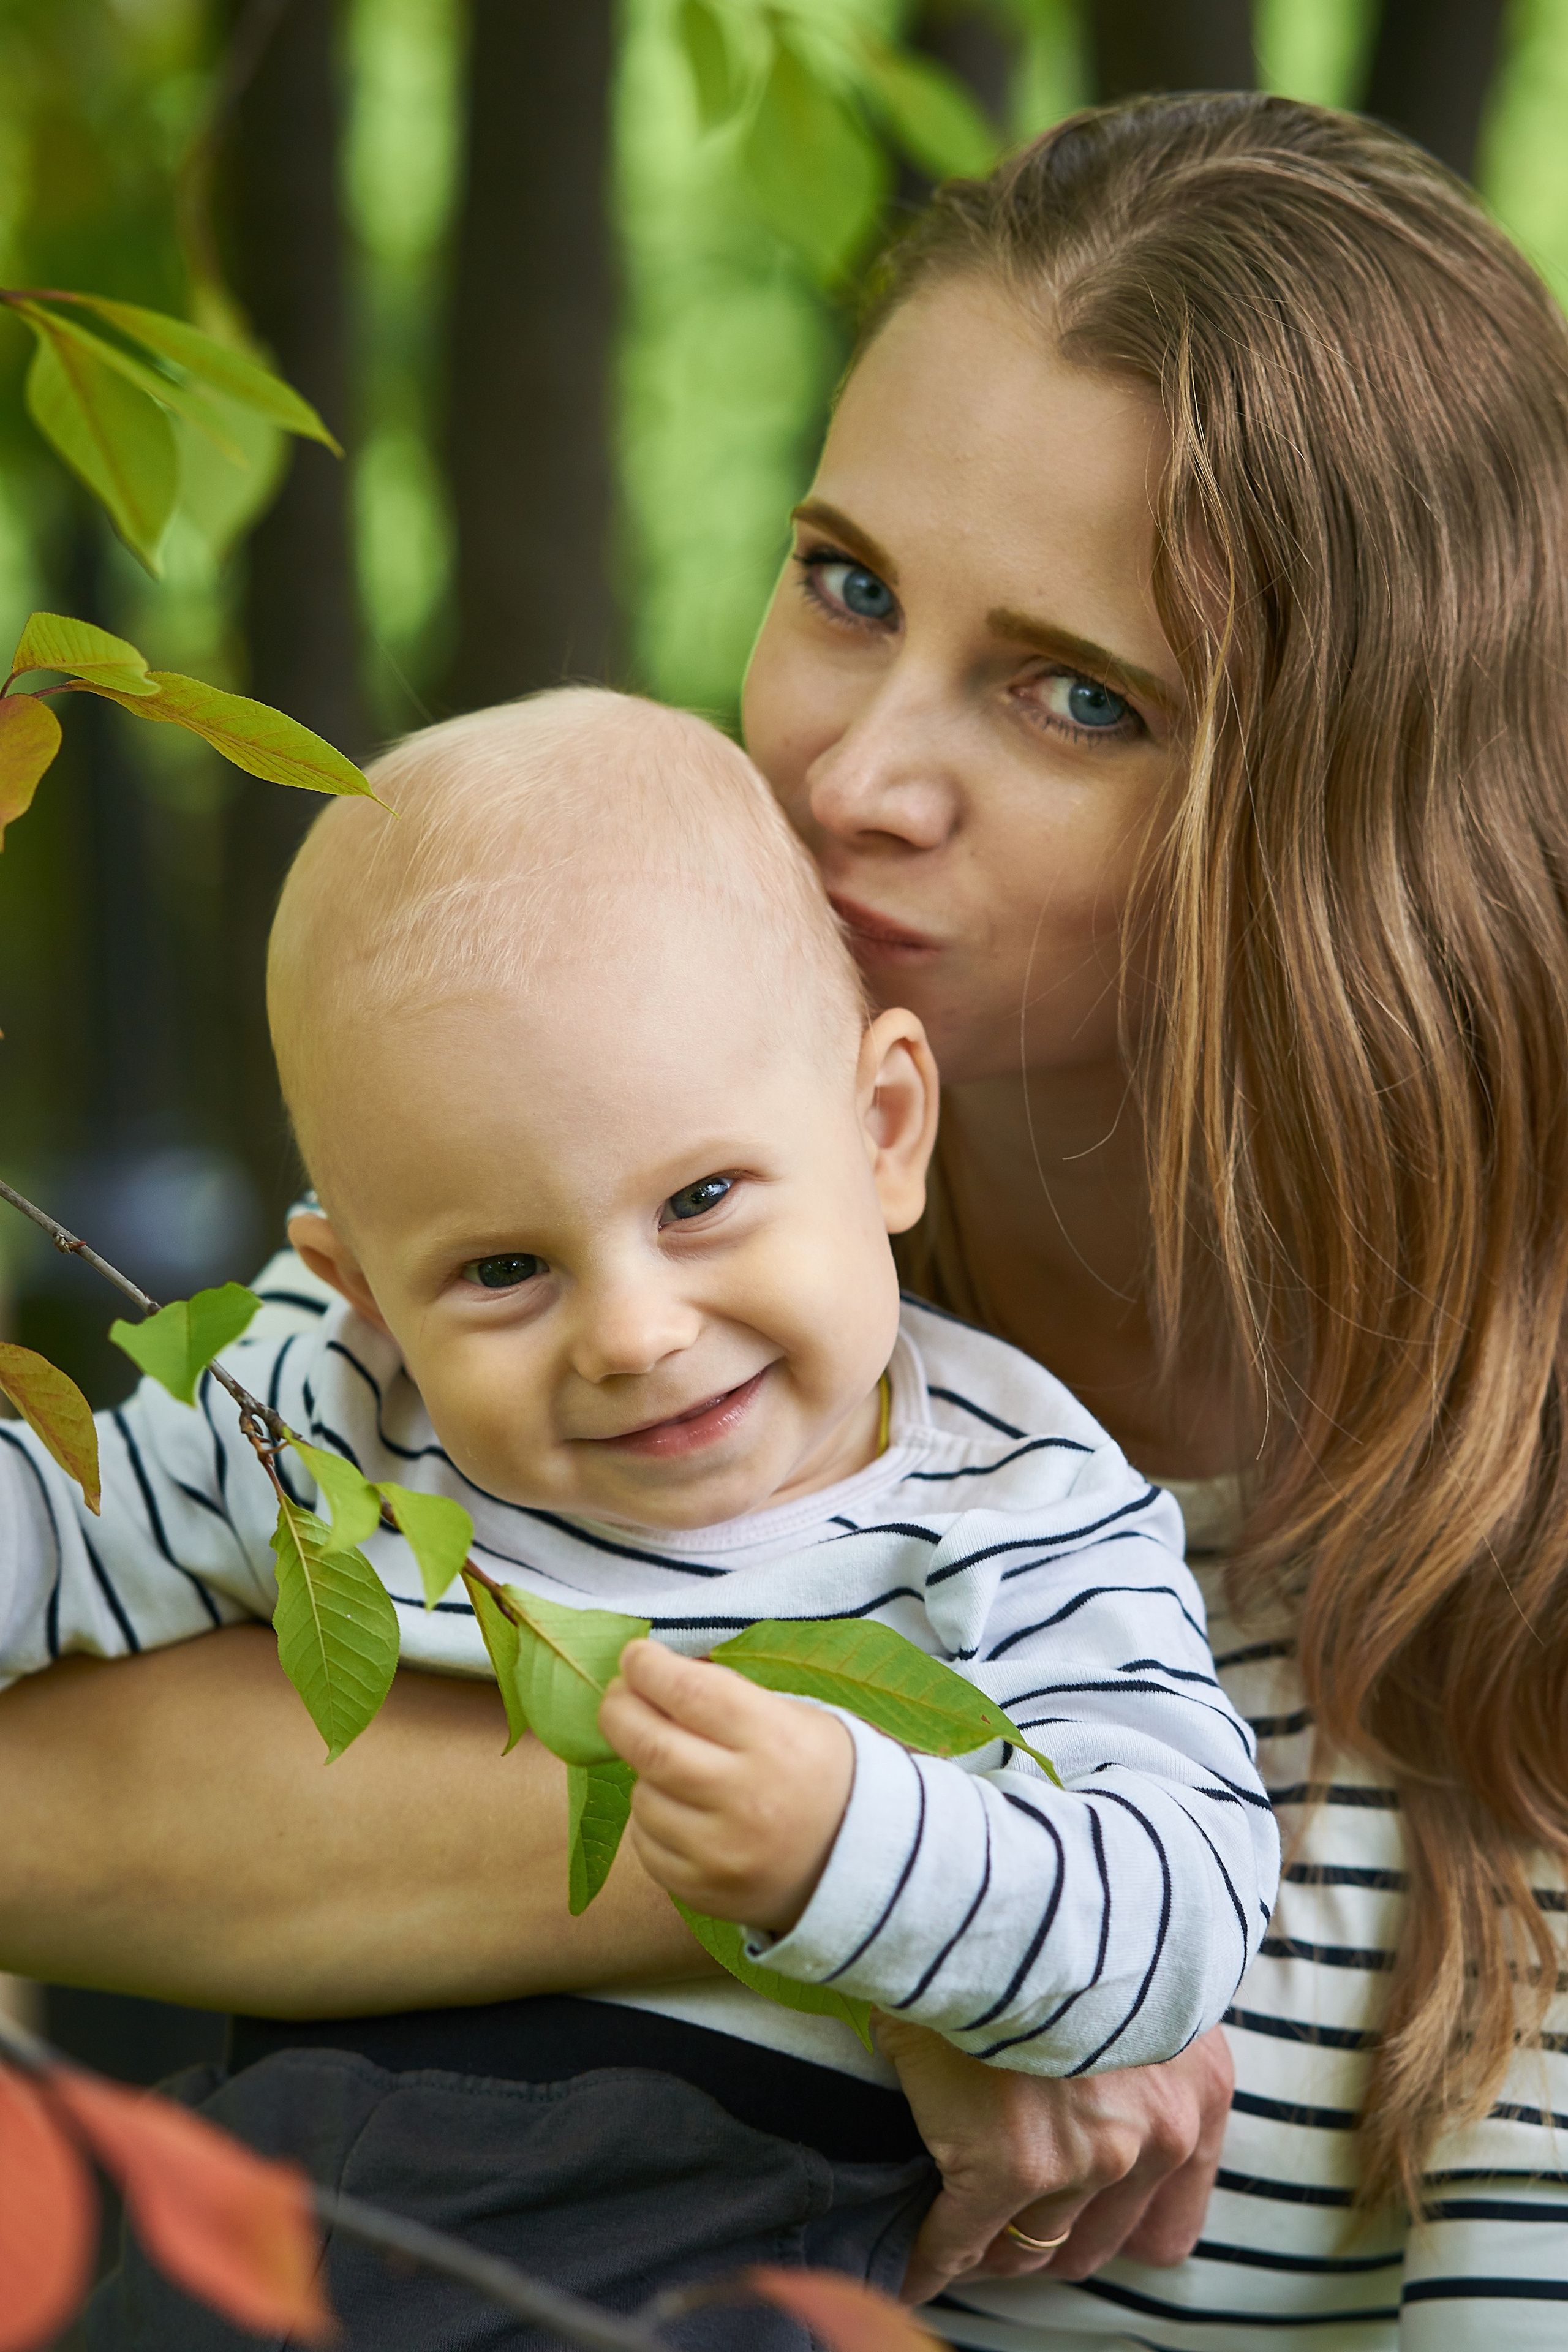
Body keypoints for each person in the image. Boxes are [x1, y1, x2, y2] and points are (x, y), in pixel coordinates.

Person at [4, 88, 1567, 2346]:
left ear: (1358, 815)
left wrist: (930, 1892)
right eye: (848, 585)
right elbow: (52, 1789)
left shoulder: (1474, 1554)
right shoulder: (609, 1258)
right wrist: (886, 1909)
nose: (855, 775)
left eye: (1078, 699)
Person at [0, 687, 1273, 2345]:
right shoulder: (333, 1406)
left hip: (702, 2215)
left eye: (701, 1200)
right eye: (503, 1269)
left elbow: (1182, 1901)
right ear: (363, 1289)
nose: (633, 1332)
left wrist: (849, 1850)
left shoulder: (1016, 1507)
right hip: (296, 2182)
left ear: (883, 1129)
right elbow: (61, 1534)